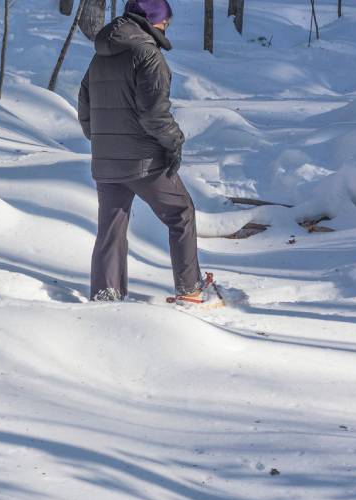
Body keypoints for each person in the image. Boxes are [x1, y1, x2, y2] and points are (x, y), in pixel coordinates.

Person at [78, 0, 210, 304]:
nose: (166, 27)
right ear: (152, 22)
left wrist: (100, 140)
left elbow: (84, 106)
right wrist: (174, 141)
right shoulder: (148, 55)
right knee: (181, 213)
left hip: (107, 161)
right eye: (165, 21)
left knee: (111, 228)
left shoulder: (99, 57)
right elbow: (154, 114)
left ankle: (106, 294)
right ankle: (189, 289)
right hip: (143, 161)